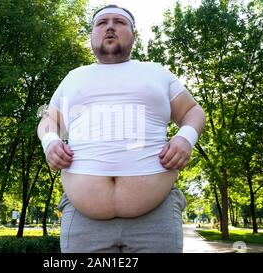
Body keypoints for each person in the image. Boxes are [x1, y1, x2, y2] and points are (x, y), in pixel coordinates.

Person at [37, 5, 206, 253]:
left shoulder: (156, 72)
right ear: (92, 34)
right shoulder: (73, 77)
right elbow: (48, 120)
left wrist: (185, 138)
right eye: (101, 22)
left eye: (119, 22)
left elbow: (193, 112)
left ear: (133, 35)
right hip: (84, 220)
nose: (110, 26)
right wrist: (50, 142)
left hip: (155, 218)